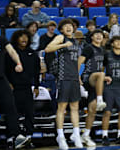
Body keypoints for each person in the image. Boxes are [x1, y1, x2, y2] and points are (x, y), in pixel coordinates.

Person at [45, 19, 83, 149]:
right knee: (62, 108)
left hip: (74, 78)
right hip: (63, 78)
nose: (68, 28)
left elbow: (76, 62)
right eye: (65, 26)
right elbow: (48, 49)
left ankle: (76, 134)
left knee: (75, 107)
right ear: (61, 29)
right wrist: (62, 45)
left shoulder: (76, 42)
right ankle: (60, 136)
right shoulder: (60, 37)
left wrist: (78, 77)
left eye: (70, 26)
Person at [0, 19, 30, 150]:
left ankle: (15, 136)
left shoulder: (1, 40)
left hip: (0, 80)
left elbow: (12, 52)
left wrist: (18, 63)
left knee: (10, 107)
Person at [5, 30, 39, 146]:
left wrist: (37, 86)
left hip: (27, 87)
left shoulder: (33, 53)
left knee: (29, 113)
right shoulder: (10, 53)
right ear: (16, 39)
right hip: (13, 88)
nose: (24, 39)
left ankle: (28, 136)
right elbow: (4, 69)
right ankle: (11, 137)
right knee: (12, 113)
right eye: (21, 37)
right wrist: (8, 83)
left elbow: (36, 71)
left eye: (26, 37)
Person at [78, 29, 107, 146]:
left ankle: (85, 135)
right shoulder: (89, 48)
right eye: (96, 34)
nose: (99, 36)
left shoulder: (103, 50)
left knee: (92, 109)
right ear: (92, 37)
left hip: (97, 80)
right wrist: (77, 76)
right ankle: (101, 100)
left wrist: (104, 77)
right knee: (100, 74)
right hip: (87, 77)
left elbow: (103, 68)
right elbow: (79, 62)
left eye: (101, 34)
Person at [100, 36, 120, 145]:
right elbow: (101, 71)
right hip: (108, 86)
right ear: (112, 44)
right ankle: (104, 136)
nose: (118, 43)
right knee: (107, 112)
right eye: (116, 41)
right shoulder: (107, 55)